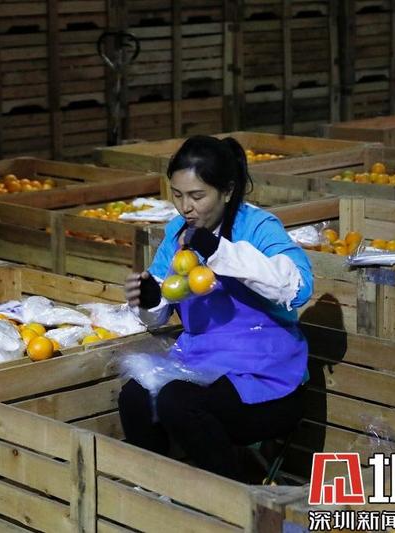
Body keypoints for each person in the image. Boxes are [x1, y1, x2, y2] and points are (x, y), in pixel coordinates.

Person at [121, 135, 313, 481]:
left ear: (227, 191)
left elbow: (297, 287)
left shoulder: (257, 227)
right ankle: (156, 493)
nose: (186, 207)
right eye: (177, 195)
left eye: (197, 196)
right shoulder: (178, 234)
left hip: (268, 378)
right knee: (135, 396)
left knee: (177, 401)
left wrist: (217, 249)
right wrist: (150, 299)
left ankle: (234, 499)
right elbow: (161, 305)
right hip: (204, 361)